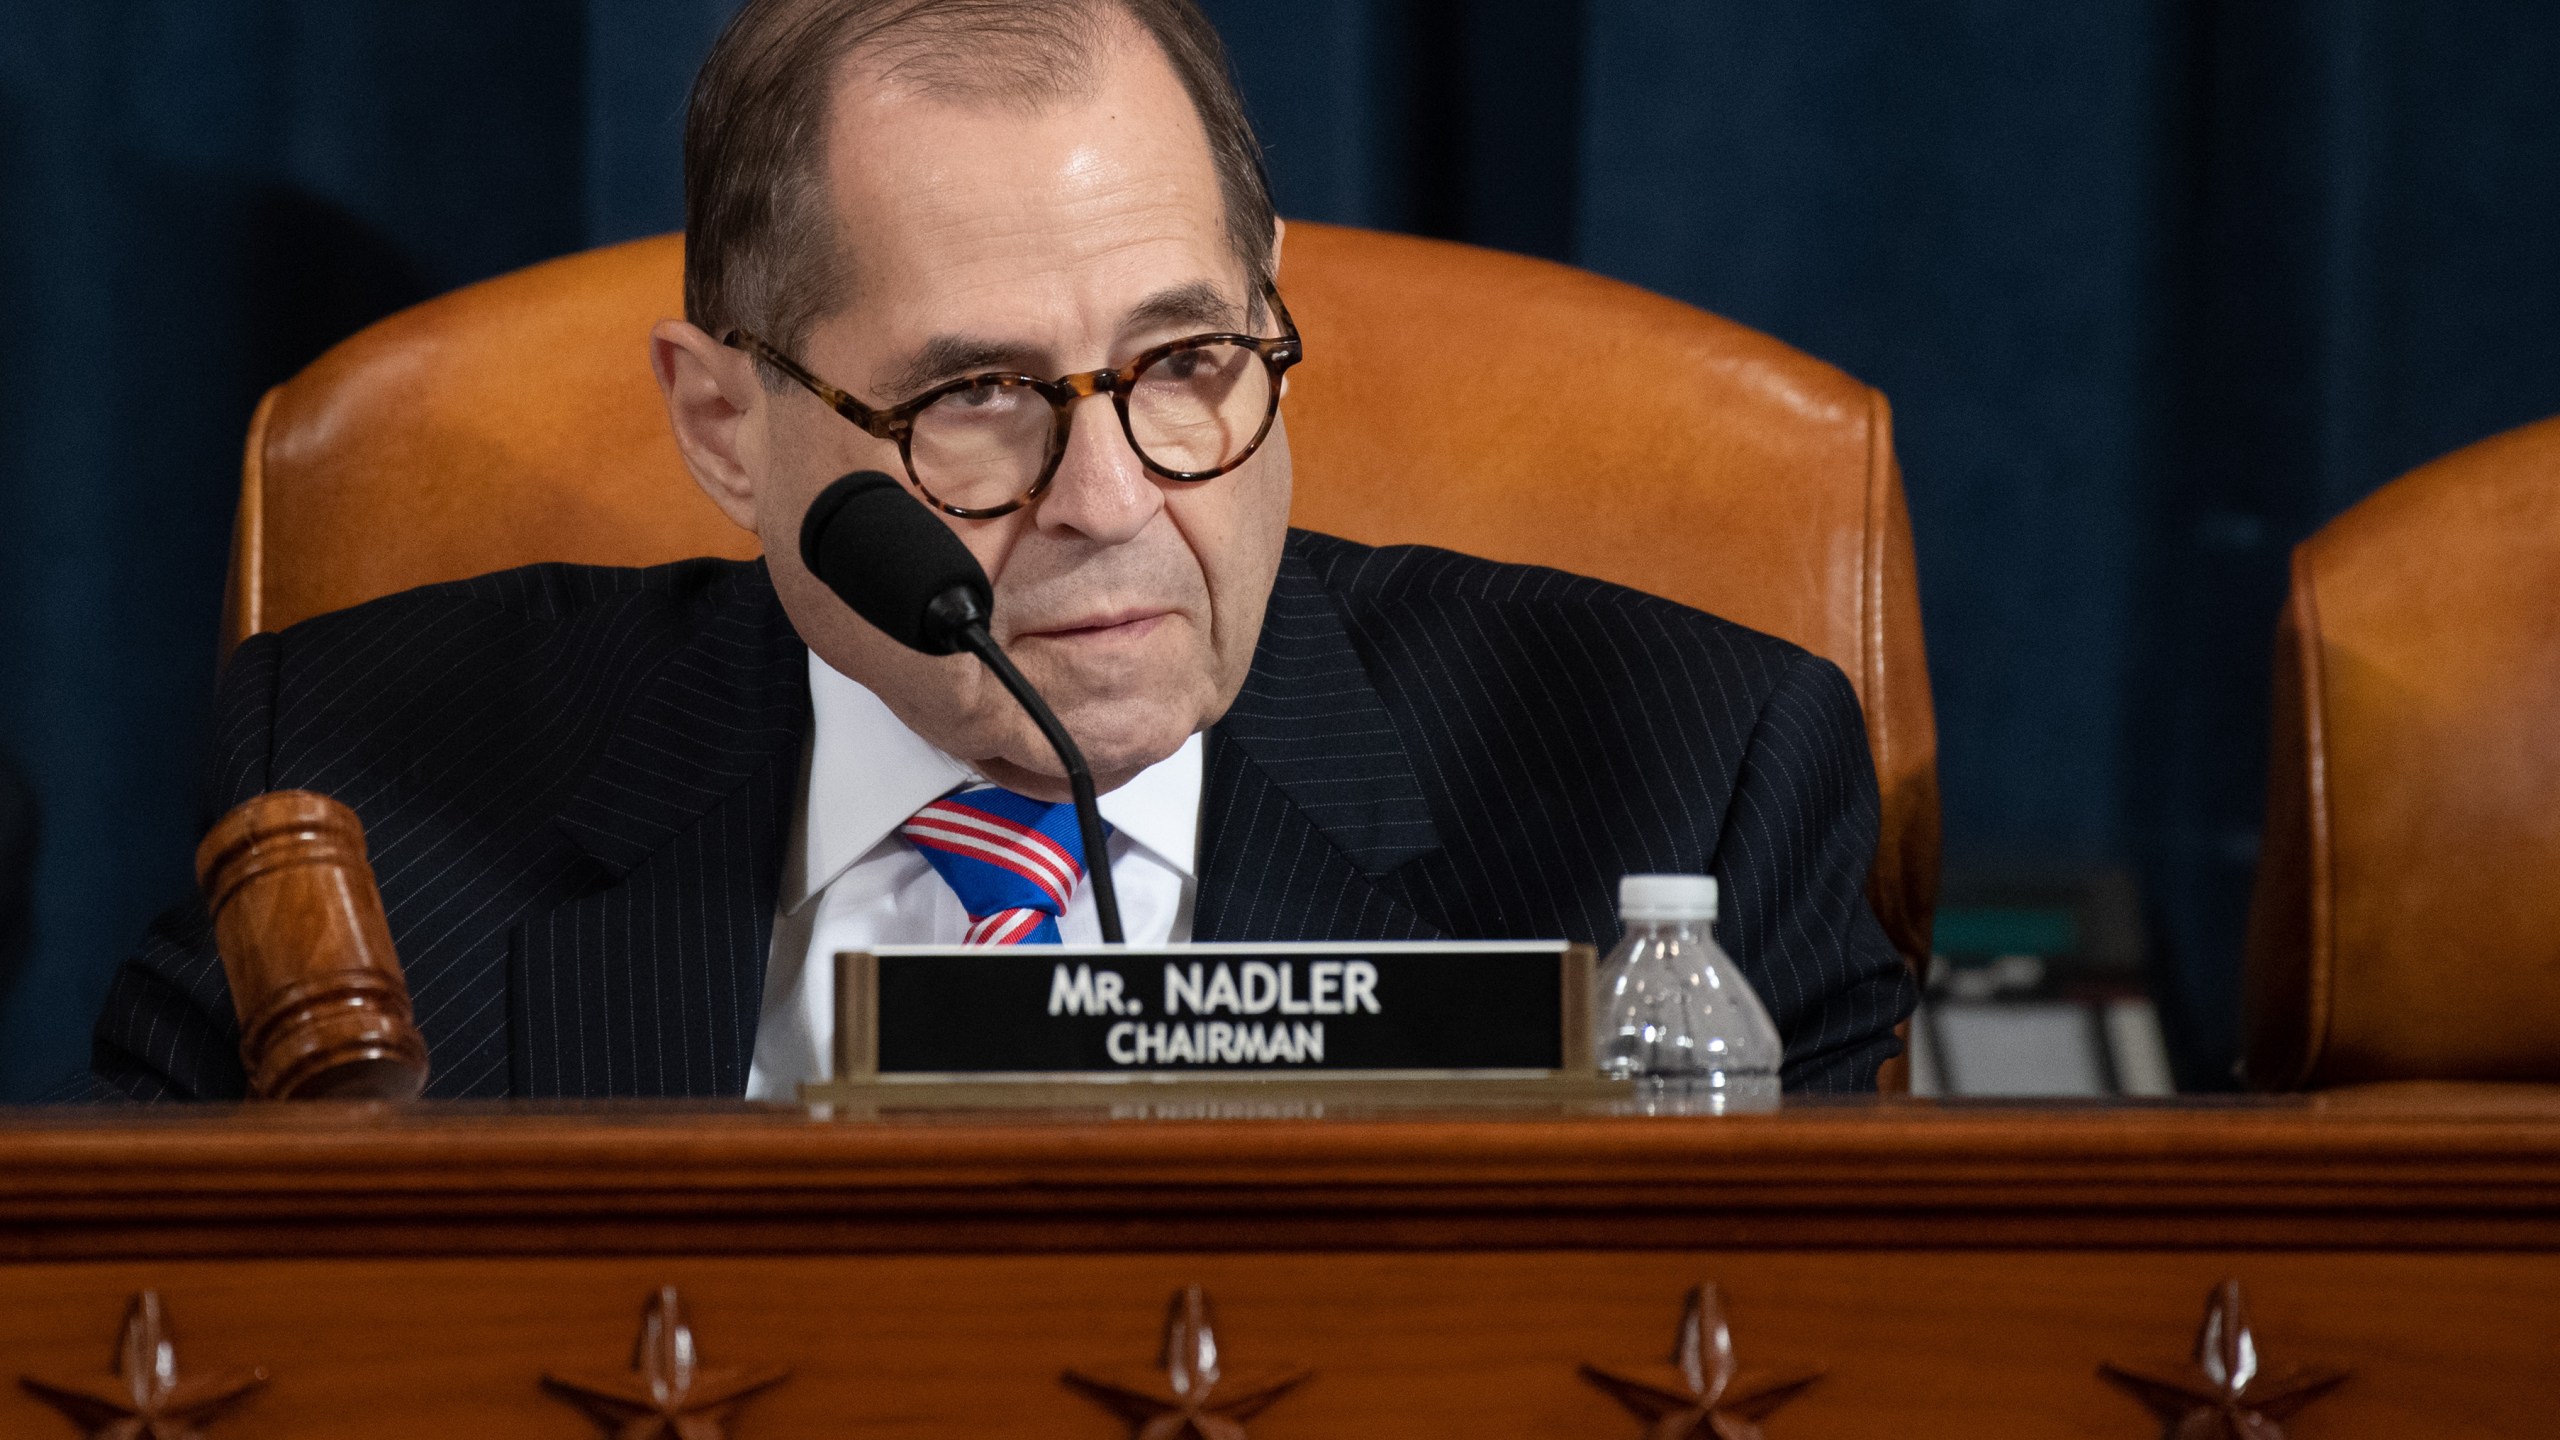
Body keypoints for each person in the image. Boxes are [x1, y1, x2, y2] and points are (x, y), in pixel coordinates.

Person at [77, 0, 1914, 1101]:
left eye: (1189, 365)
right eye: (974, 398)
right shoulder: (373, 792)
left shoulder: (1683, 788)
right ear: (726, 426)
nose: (1110, 498)